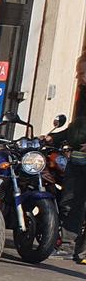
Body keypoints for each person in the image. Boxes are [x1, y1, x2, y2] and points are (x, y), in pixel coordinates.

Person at [48, 53, 86, 264]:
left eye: (81, 72)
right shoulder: (82, 96)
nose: (77, 77)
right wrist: (54, 137)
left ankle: (83, 252)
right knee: (70, 203)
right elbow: (76, 129)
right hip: (77, 161)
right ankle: (68, 246)